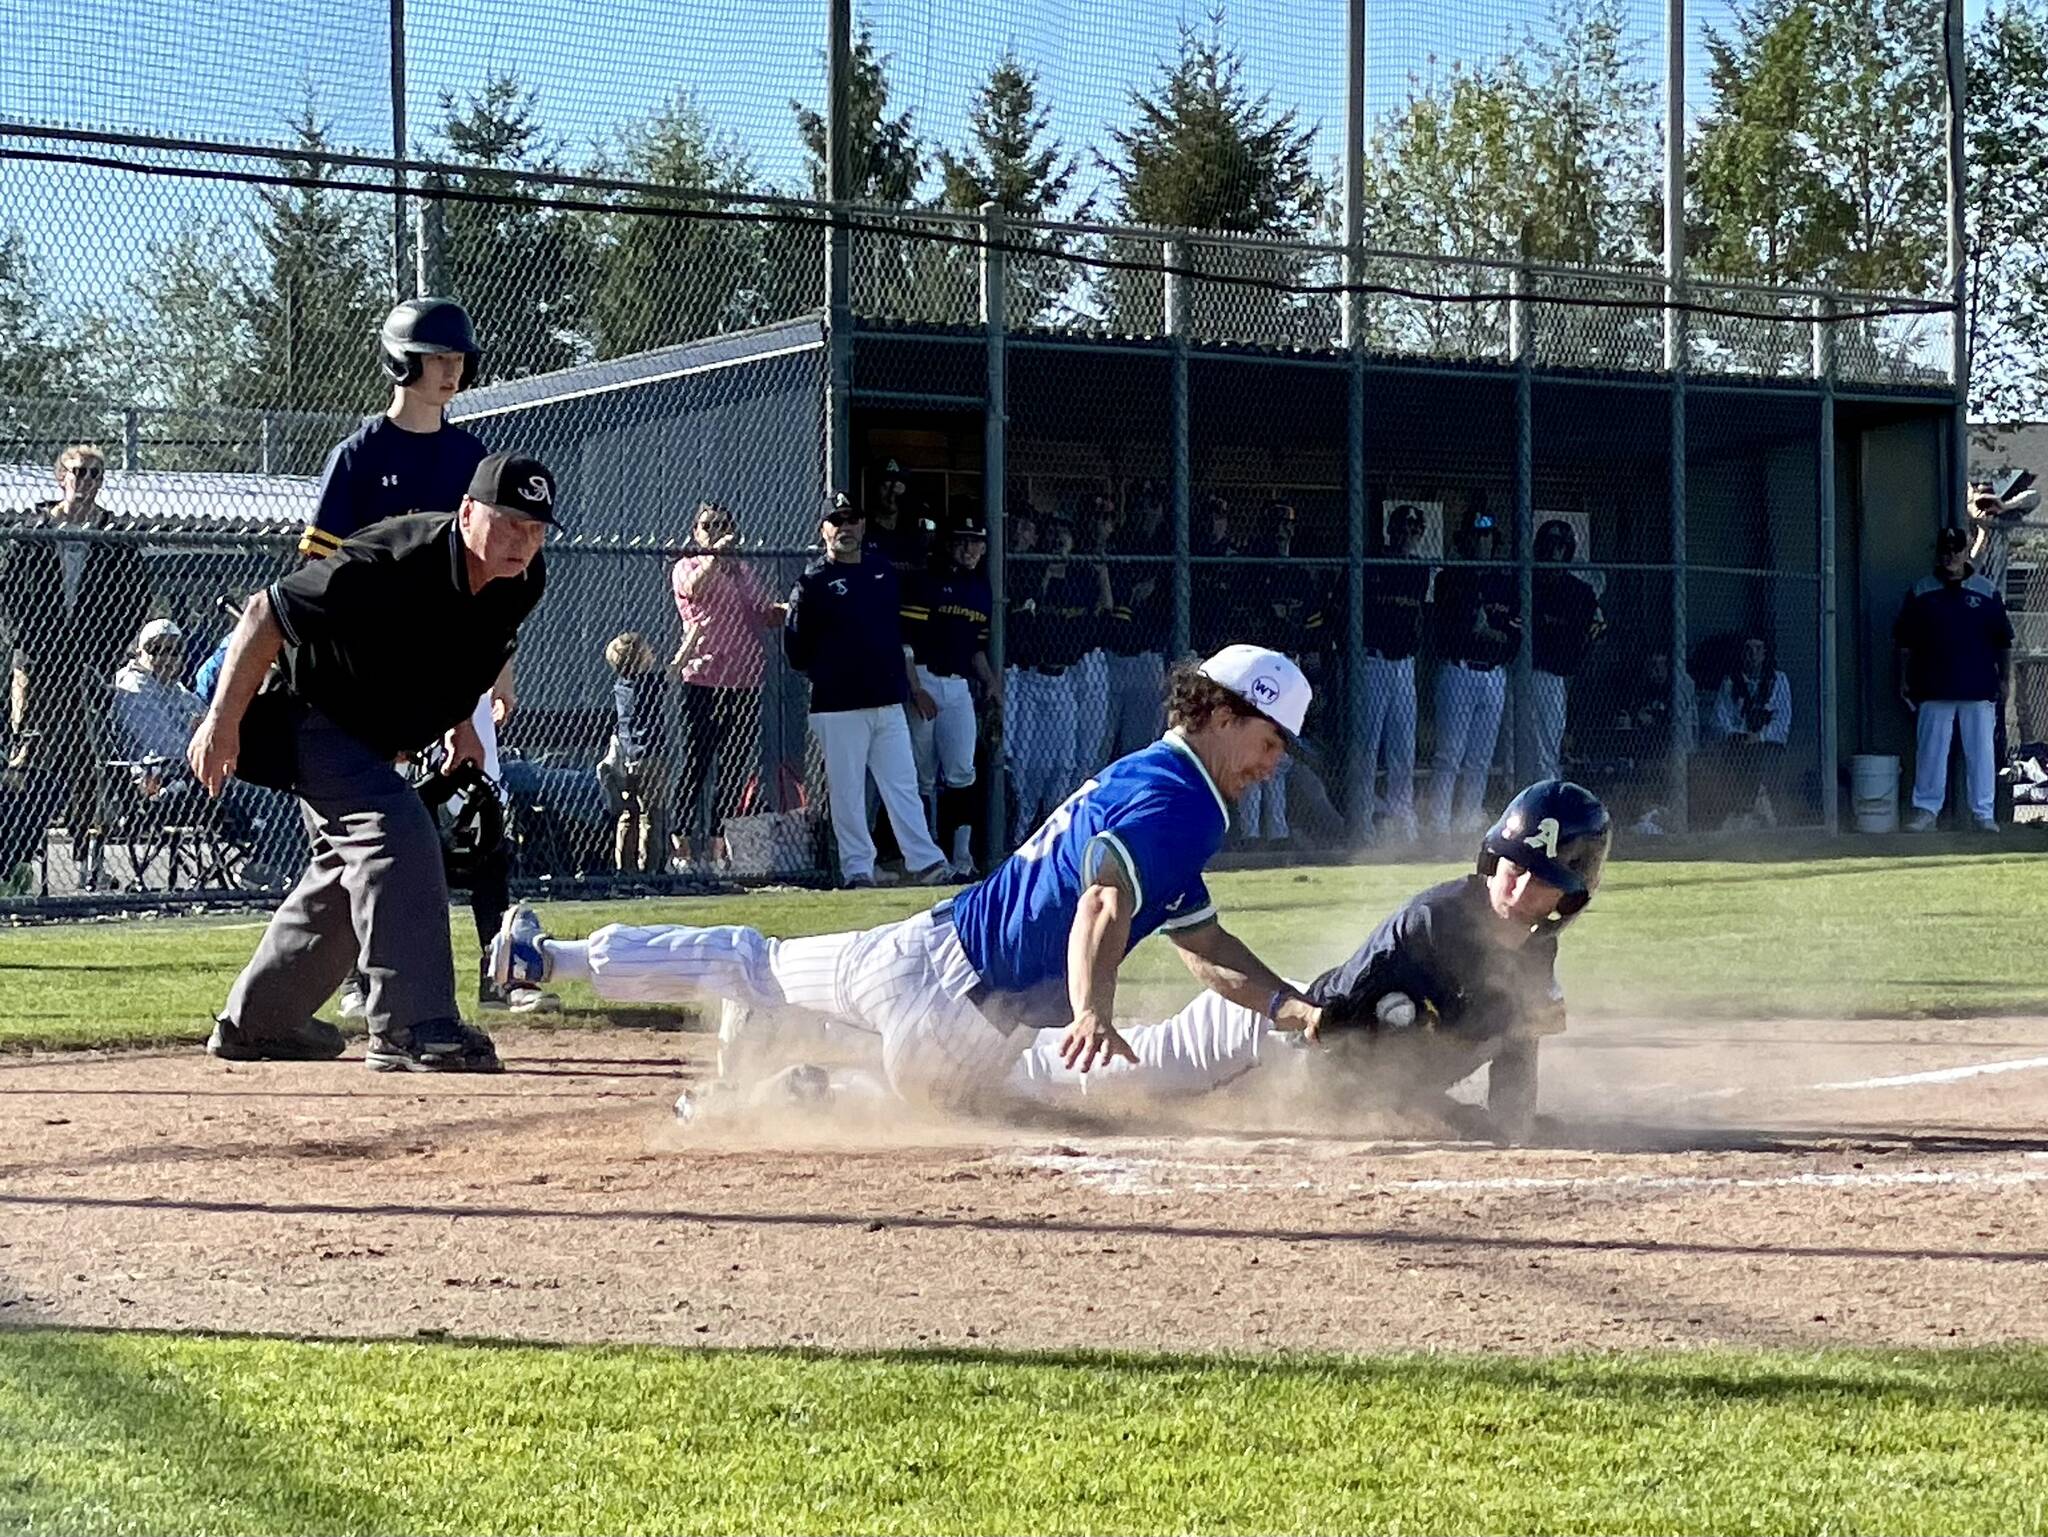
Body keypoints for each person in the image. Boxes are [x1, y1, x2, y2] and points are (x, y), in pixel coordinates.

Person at [490, 645, 1324, 1112]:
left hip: (915, 947)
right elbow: (1103, 902)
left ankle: (551, 958)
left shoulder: (1148, 772)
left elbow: (1202, 942)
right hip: (962, 1021)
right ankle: (771, 1099)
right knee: (997, 1102)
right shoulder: (1186, 805)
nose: (1273, 764)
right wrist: (1092, 1011)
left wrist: (1290, 1004)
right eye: (1272, 740)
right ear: (1219, 711)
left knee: (754, 960)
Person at [192, 451, 556, 1072]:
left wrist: (465, 727)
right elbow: (264, 613)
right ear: (467, 512)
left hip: (365, 733)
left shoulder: (521, 577)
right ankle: (411, 1027)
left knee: (347, 873)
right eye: (508, 522)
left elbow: (467, 648)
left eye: (536, 528)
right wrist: (221, 725)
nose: (522, 541)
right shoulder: (398, 559)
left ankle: (259, 1024)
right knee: (395, 834)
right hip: (297, 710)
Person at [1004, 780, 1610, 1146]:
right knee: (1116, 1075)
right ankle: (995, 1062)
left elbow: (1514, 1048)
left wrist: (1510, 1126)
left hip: (1304, 1037)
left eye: (1542, 880)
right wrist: (1423, 1109)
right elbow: (1334, 1029)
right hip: (1267, 1032)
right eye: (1514, 866)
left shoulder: (1535, 956)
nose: (1519, 887)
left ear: (1571, 895)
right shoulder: (1431, 923)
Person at [302, 297, 540, 1016]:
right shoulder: (359, 457)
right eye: (439, 357)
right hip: (370, 675)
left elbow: (503, 574)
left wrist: (499, 666)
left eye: (459, 358)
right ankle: (357, 976)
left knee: (482, 812)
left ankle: (500, 971)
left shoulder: (470, 459)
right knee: (366, 826)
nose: (453, 370)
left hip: (456, 664)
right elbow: (313, 575)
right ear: (402, 362)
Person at [0, 443, 152, 883]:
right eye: (78, 472)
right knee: (26, 752)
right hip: (39, 661)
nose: (85, 481)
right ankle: (16, 854)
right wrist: (26, 643)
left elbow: (132, 600)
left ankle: (90, 860)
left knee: (87, 759)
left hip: (87, 663)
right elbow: (11, 593)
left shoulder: (115, 537)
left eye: (94, 474)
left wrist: (103, 654)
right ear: (60, 477)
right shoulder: (34, 530)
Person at [784, 493, 949, 889]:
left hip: (888, 701)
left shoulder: (881, 571)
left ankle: (926, 862)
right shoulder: (812, 582)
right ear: (823, 529)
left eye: (851, 519)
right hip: (838, 705)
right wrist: (834, 670)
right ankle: (857, 868)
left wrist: (906, 685)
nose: (845, 527)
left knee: (902, 783)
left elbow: (895, 634)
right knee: (848, 791)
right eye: (835, 520)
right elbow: (796, 650)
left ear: (862, 525)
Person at [110, 617, 295, 884]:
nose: (167, 658)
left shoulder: (175, 689)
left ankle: (271, 862)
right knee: (257, 790)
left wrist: (208, 735)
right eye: (156, 650)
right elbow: (169, 747)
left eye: (174, 650)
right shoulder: (134, 689)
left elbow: (209, 724)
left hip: (197, 773)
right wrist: (205, 736)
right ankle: (269, 863)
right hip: (165, 784)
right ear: (140, 652)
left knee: (276, 782)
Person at [670, 500, 782, 876]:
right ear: (695, 531)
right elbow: (694, 590)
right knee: (698, 760)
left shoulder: (744, 571)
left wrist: (781, 610)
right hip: (703, 676)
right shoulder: (687, 566)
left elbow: (761, 612)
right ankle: (683, 848)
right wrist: (714, 558)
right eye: (707, 525)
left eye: (721, 525)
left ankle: (718, 848)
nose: (714, 531)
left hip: (745, 678)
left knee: (734, 763)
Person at [1896, 526, 2013, 833]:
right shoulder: (1921, 591)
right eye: (1945, 551)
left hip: (1978, 687)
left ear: (1966, 551)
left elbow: (2004, 642)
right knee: (1931, 753)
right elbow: (1905, 643)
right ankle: (1926, 811)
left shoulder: (1986, 592)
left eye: (1956, 550)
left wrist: (2005, 681)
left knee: (1982, 755)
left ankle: (1983, 814)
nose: (1950, 557)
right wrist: (1904, 678)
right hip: (1933, 687)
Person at [902, 516, 998, 879]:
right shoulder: (926, 581)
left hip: (959, 686)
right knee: (922, 776)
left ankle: (962, 859)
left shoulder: (980, 588)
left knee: (961, 770)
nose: (969, 549)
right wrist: (915, 689)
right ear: (947, 544)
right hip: (924, 677)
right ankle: (927, 858)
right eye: (962, 540)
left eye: (976, 542)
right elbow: (905, 641)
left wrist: (991, 682)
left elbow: (976, 647)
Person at [1425, 505, 1520, 835]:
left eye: (1488, 536)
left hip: (1493, 673)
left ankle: (1466, 826)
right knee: (1448, 755)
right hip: (1458, 670)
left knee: (1479, 760)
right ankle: (1438, 828)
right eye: (1477, 536)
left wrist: (1490, 632)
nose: (1483, 542)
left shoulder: (1505, 581)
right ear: (1465, 540)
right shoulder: (1451, 577)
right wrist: (1485, 630)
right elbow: (1453, 631)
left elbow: (1513, 634)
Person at [1006, 511, 1091, 846]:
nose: (1058, 542)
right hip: (1030, 679)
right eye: (1052, 536)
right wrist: (1041, 581)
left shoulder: (1078, 578)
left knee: (1064, 762)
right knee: (1026, 765)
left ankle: (1058, 838)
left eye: (1064, 537)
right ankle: (1016, 838)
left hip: (1064, 678)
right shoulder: (1029, 572)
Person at [1358, 502, 1431, 843]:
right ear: (1391, 531)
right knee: (1368, 744)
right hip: (1372, 661)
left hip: (1403, 665)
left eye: (1415, 529)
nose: (1408, 535)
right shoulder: (1373, 562)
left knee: (1404, 747)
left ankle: (1402, 819)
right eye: (1403, 528)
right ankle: (1364, 819)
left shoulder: (1419, 570)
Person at [1526, 519, 1604, 782]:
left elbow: (1596, 630)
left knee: (1547, 749)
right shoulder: (1526, 582)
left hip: (1554, 676)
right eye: (1549, 547)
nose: (1554, 553)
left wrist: (1574, 660)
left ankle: (1546, 808)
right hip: (1521, 671)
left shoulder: (1579, 591)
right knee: (1518, 749)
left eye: (1560, 547)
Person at [1102, 484, 1169, 760]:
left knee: (1139, 747)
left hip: (1148, 656)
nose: (1145, 513)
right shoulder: (1118, 540)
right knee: (1100, 745)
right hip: (1111, 657)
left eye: (1151, 506)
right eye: (1139, 506)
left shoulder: (1168, 544)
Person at [1699, 634, 1791, 828]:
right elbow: (1720, 718)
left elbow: (1782, 721)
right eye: (1748, 650)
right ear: (1742, 654)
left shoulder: (1778, 680)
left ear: (1765, 654)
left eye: (1758, 649)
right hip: (1738, 744)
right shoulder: (1730, 682)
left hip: (1767, 744)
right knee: (1731, 762)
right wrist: (1737, 735)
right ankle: (1737, 811)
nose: (1753, 655)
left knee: (1764, 762)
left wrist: (1760, 736)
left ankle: (1771, 813)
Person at [600, 631, 669, 875]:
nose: (652, 653)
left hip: (629, 757)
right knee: (652, 815)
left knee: (629, 813)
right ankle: (650, 870)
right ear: (639, 658)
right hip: (651, 756)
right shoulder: (649, 683)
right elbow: (675, 669)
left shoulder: (621, 686)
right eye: (647, 650)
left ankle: (625, 870)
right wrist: (693, 639)